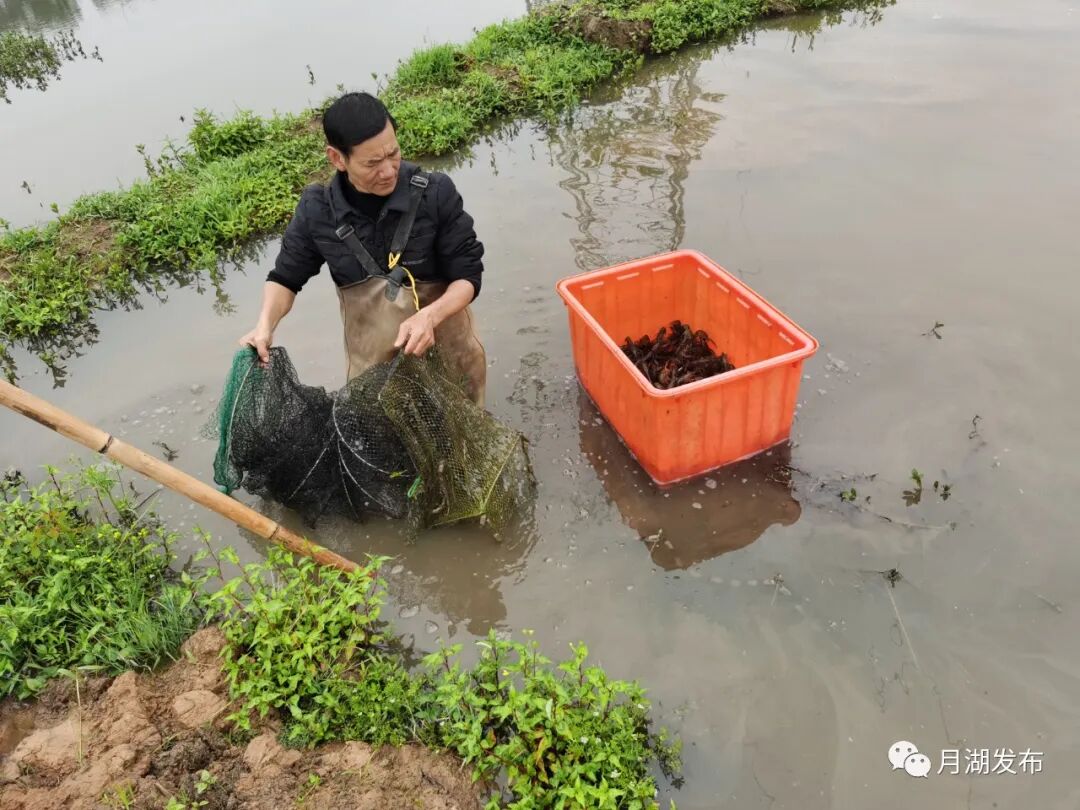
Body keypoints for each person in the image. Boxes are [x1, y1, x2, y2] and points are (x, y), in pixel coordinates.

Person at [239, 92, 487, 404]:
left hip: (453, 366)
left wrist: (430, 317)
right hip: (376, 382)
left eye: (393, 154)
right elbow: (285, 278)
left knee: (462, 447)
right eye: (372, 163)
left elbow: (468, 277)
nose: (388, 171)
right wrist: (264, 326)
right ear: (337, 158)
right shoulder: (318, 211)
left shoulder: (435, 193)